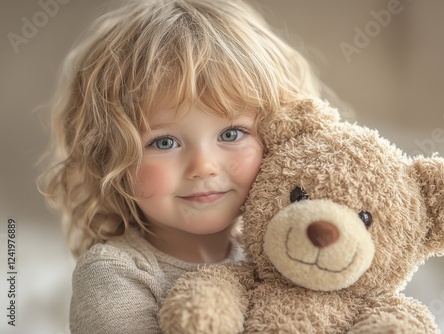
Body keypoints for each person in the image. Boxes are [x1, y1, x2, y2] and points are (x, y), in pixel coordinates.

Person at [38, 0, 322, 332]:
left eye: (231, 133)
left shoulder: (279, 255)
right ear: (108, 157)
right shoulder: (115, 272)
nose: (203, 167)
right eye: (164, 142)